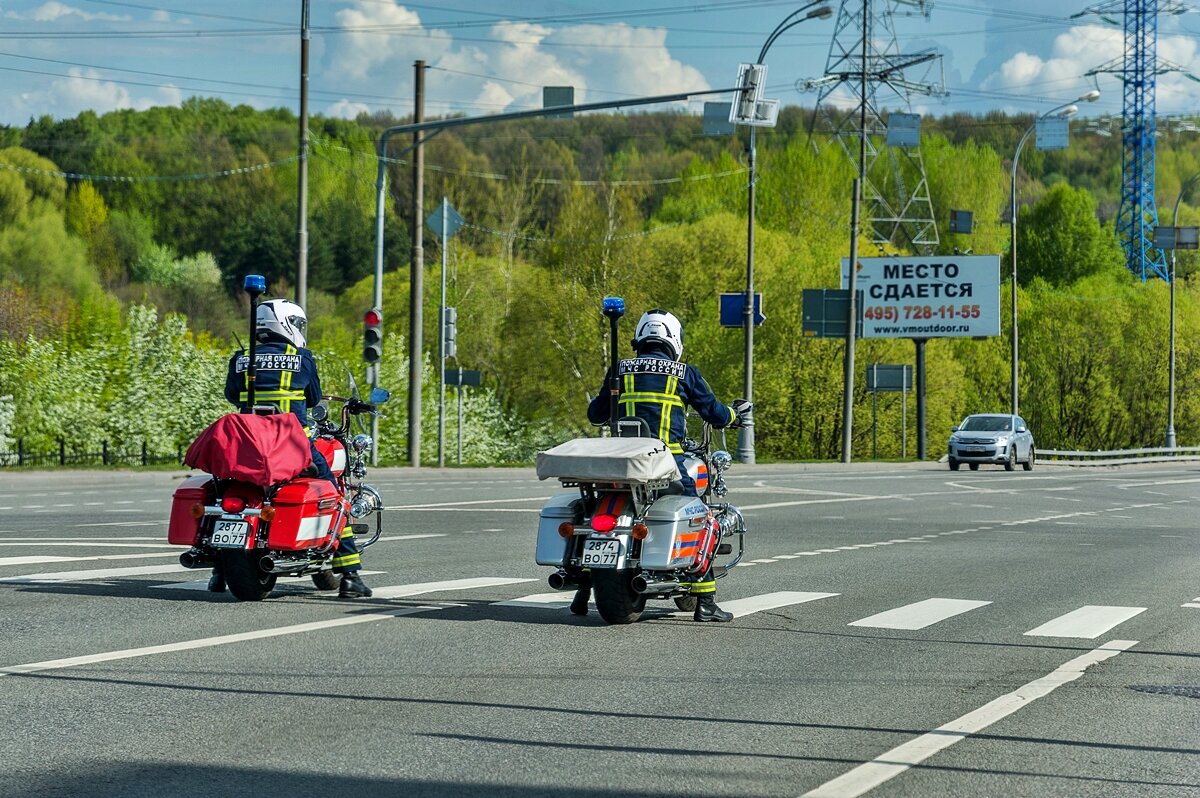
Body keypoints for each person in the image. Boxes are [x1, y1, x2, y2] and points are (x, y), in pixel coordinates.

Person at [579, 308, 752, 622]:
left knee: (589, 507)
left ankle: (583, 586)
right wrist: (733, 416)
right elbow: (714, 412)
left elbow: (595, 415)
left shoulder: (620, 370)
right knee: (705, 518)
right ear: (674, 338)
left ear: (642, 335)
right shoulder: (683, 372)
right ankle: (706, 602)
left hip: (622, 462)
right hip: (667, 462)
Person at [210, 298, 372, 599]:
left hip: (247, 446)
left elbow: (232, 395)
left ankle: (219, 572)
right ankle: (350, 576)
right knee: (335, 496)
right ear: (287, 324)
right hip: (291, 446)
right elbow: (313, 399)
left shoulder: (241, 358)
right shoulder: (302, 358)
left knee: (222, 492)